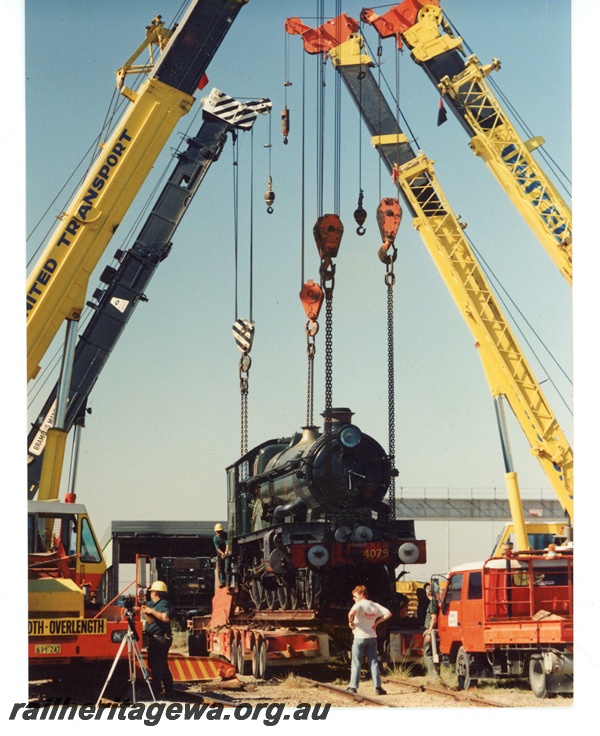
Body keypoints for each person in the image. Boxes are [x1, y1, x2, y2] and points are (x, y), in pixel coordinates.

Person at [347, 585, 392, 695]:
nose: (353, 598)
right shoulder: (374, 605)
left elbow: (351, 613)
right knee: (374, 663)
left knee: (356, 663)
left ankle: (353, 687)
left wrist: (350, 622)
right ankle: (378, 688)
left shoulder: (359, 604)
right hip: (372, 637)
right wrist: (376, 622)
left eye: (355, 596)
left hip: (359, 638)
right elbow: (388, 614)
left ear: (361, 594)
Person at [141, 580, 174, 697]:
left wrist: (151, 611)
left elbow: (165, 618)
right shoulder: (153, 604)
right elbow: (149, 614)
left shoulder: (163, 604)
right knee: (161, 664)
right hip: (155, 638)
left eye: (151, 592)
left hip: (160, 639)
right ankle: (168, 690)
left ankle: (156, 691)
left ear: (154, 593)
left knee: (157, 665)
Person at [422, 584, 442, 684]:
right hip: (434, 631)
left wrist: (429, 632)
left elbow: (433, 619)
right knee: (435, 654)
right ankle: (437, 676)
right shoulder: (437, 602)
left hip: (432, 632)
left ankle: (434, 677)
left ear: (427, 594)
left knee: (427, 654)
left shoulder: (433, 603)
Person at [213, 523, 232, 588]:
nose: (219, 533)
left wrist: (226, 552)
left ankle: (228, 583)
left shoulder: (226, 535)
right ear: (215, 531)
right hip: (220, 552)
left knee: (227, 568)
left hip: (227, 552)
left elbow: (227, 544)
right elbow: (217, 548)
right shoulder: (215, 538)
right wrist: (222, 553)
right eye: (217, 531)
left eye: (220, 531)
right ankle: (222, 582)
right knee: (220, 568)